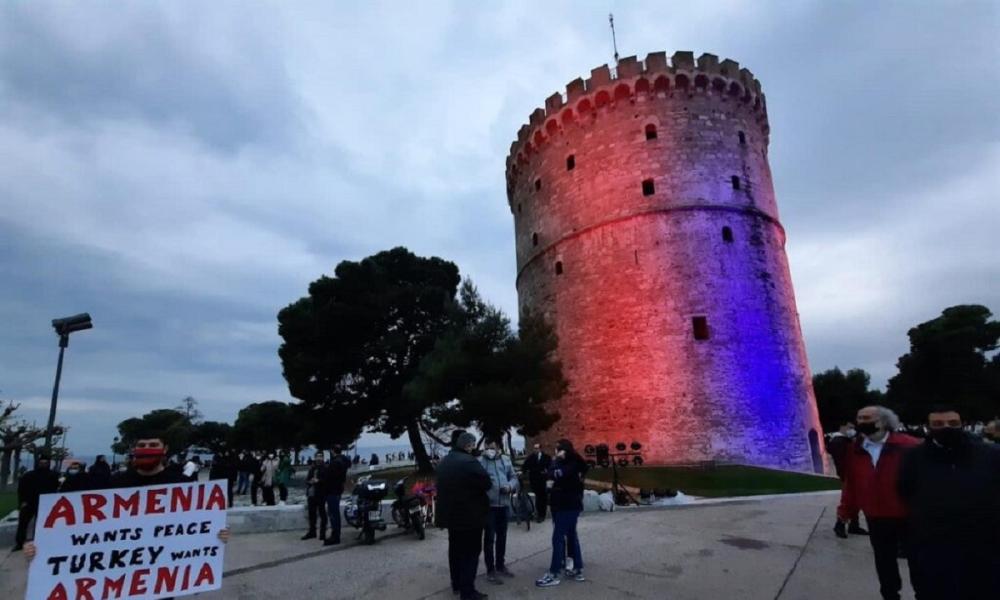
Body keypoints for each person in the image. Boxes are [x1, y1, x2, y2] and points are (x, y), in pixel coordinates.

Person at [24, 435, 230, 600]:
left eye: (153, 444)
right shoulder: (112, 486)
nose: (147, 448)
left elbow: (196, 526)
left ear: (164, 449)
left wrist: (217, 535)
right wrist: (41, 547)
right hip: (118, 580)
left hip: (161, 580)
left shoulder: (182, 486)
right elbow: (81, 531)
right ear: (134, 450)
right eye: (142, 444)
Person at [898, 405, 1000, 599]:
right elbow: (905, 491)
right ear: (928, 427)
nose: (946, 427)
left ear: (962, 424)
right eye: (938, 424)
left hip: (984, 544)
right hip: (935, 544)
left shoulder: (990, 455)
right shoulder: (913, 458)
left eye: (953, 423)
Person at [836, 406, 919, 600]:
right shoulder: (856, 449)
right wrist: (845, 510)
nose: (862, 422)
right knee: (884, 562)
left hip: (909, 515)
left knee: (918, 562)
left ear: (883, 421)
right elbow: (852, 482)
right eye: (859, 418)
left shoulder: (909, 446)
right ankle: (890, 596)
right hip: (876, 516)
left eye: (867, 418)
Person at [436, 432, 492, 600]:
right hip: (470, 517)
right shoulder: (469, 462)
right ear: (468, 445)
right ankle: (468, 592)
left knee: (455, 551)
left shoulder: (445, 461)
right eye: (472, 445)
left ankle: (457, 584)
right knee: (470, 553)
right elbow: (487, 483)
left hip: (451, 517)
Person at [536, 439, 588, 588]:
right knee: (571, 536)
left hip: (568, 505)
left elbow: (555, 474)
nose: (556, 452)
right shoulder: (566, 463)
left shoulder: (573, 464)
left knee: (558, 538)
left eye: (559, 449)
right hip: (561, 504)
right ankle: (577, 569)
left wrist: (555, 465)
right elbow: (550, 476)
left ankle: (554, 573)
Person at [479, 439, 518, 584]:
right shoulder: (480, 461)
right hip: (489, 507)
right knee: (489, 539)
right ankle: (490, 570)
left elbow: (514, 478)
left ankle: (500, 565)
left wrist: (509, 486)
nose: (490, 450)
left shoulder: (505, 460)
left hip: (504, 505)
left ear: (498, 448)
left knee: (502, 536)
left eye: (492, 447)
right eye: (487, 447)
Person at [827, 423, 868, 537]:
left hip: (858, 473)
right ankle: (840, 524)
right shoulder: (841, 441)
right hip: (851, 474)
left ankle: (853, 524)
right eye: (850, 427)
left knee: (855, 501)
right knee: (848, 500)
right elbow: (840, 460)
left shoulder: (847, 441)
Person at [13, 453, 60, 551]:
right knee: (23, 524)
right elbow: (21, 489)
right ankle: (19, 543)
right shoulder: (29, 475)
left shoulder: (53, 476)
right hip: (29, 503)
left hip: (45, 504)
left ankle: (39, 542)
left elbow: (56, 490)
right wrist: (22, 501)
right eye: (41, 463)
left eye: (45, 463)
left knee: (41, 525)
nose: (43, 465)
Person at [324, 445, 351, 546]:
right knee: (335, 514)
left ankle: (335, 536)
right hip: (338, 490)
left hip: (332, 491)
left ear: (332, 451)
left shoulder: (335, 463)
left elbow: (330, 478)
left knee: (333, 514)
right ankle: (336, 535)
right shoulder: (344, 461)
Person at [302, 452, 329, 541]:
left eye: (320, 457)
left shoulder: (325, 468)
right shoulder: (312, 468)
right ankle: (312, 531)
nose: (318, 458)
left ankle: (322, 533)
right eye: (317, 457)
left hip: (321, 494)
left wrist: (318, 481)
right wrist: (310, 481)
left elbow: (326, 480)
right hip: (311, 493)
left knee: (322, 513)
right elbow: (307, 479)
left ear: (323, 458)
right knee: (311, 513)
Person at [522, 443, 552, 522]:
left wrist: (547, 472)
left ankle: (542, 514)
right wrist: (523, 472)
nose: (535, 450)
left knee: (543, 497)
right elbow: (525, 466)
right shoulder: (531, 457)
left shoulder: (547, 457)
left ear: (540, 449)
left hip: (543, 480)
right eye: (534, 448)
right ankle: (538, 513)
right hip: (534, 480)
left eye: (537, 448)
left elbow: (551, 467)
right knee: (539, 497)